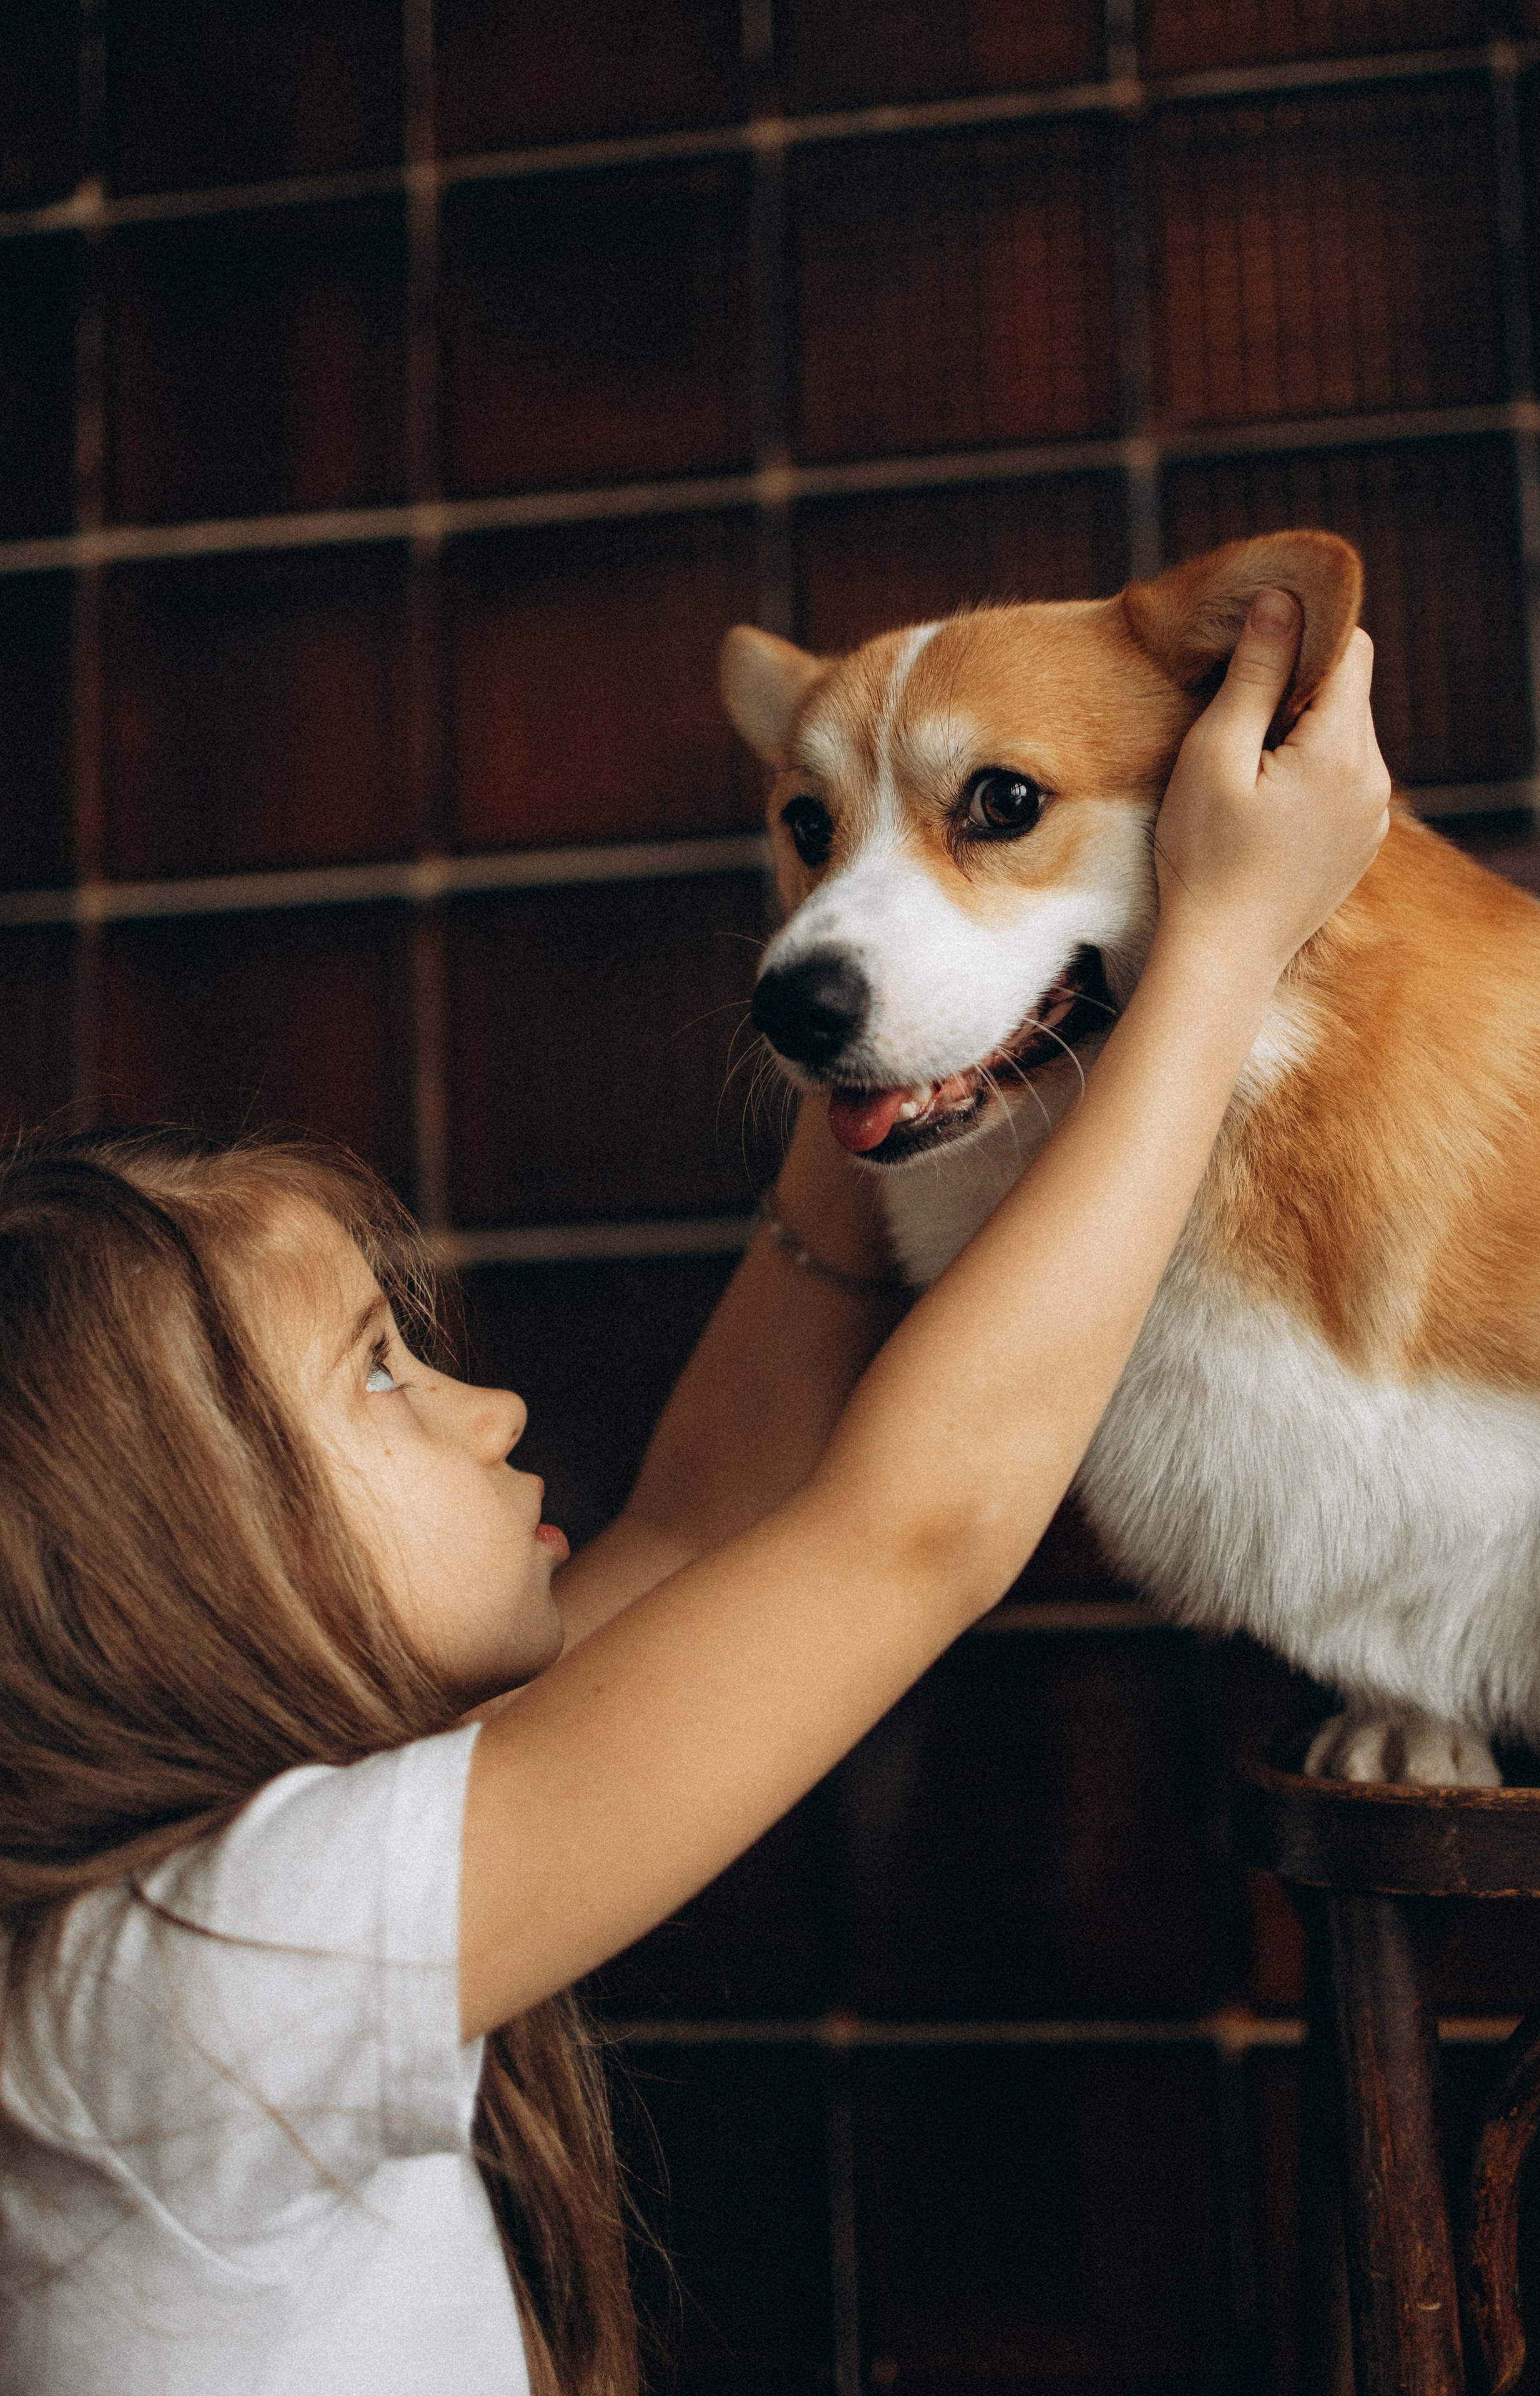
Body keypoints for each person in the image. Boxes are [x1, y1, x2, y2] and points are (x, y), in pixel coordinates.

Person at [0, 593, 1388, 2395]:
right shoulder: (183, 1977)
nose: (490, 1407)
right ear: (158, 1557)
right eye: (376, 1374)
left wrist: (894, 1049)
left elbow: (709, 1521)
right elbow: (915, 1533)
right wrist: (1225, 942)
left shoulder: (207, 1898)